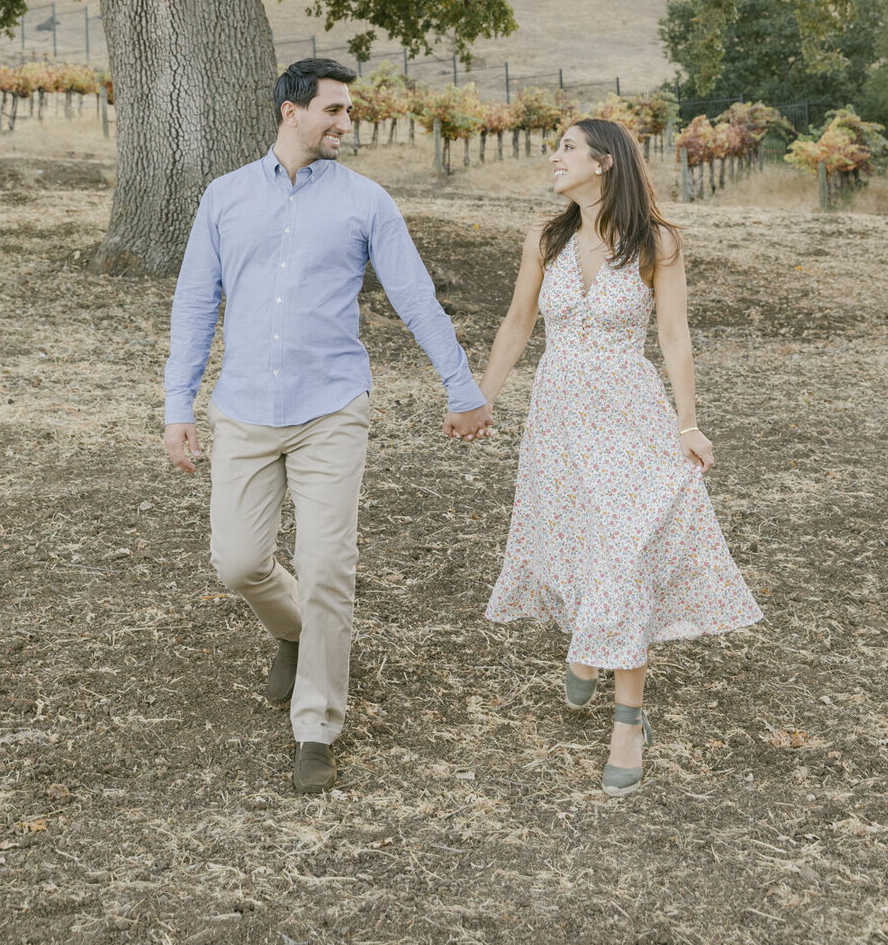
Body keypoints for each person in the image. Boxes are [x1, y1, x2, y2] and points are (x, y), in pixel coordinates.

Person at [163, 58, 491, 794]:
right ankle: (293, 630)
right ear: (291, 112)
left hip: (332, 409)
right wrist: (176, 404)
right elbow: (193, 304)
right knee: (238, 561)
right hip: (244, 408)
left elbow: (416, 298)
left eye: (349, 113)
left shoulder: (365, 202)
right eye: (335, 111)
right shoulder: (225, 198)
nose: (348, 124)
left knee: (327, 566)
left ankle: (316, 725)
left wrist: (461, 387)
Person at [476, 117, 761, 797]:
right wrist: (480, 399)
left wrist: (688, 424)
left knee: (626, 549)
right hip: (558, 418)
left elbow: (675, 334)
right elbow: (517, 325)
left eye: (568, 148)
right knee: (577, 544)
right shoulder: (545, 239)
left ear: (605, 162)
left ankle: (629, 720)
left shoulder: (654, 243)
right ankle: (588, 643)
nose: (556, 157)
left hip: (630, 416)